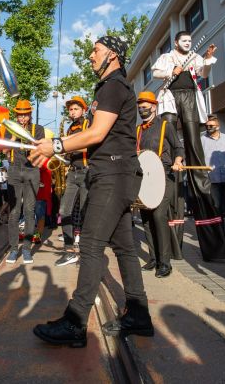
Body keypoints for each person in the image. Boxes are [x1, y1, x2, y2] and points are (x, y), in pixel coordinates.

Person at [31, 35, 152, 347]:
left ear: (112, 54)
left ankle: (75, 321)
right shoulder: (114, 86)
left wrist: (54, 144)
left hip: (112, 174)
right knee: (124, 246)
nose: (90, 55)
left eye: (96, 50)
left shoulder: (113, 86)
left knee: (92, 245)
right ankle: (139, 314)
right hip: (118, 173)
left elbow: (96, 133)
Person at [151, 31, 225, 260]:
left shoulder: (194, 56)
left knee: (194, 142)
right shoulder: (167, 57)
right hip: (170, 96)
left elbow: (204, 73)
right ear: (176, 42)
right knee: (169, 138)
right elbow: (156, 73)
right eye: (184, 41)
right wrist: (171, 72)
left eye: (189, 41)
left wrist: (208, 58)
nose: (187, 44)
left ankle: (212, 243)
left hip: (190, 97)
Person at [136, 91, 184, 278]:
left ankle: (165, 263)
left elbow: (178, 147)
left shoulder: (166, 125)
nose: (142, 109)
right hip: (144, 177)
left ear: (154, 107)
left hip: (164, 176)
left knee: (158, 217)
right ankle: (154, 258)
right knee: (146, 218)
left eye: (145, 105)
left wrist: (178, 160)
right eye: (139, 106)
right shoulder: (138, 130)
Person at [3, 99, 44, 265]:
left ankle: (26, 249)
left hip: (32, 171)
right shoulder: (9, 128)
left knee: (29, 210)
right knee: (14, 211)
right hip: (14, 170)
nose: (22, 118)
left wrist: (28, 140)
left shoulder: (38, 129)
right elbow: (5, 150)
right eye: (19, 115)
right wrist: (13, 136)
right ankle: (13, 249)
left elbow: (40, 150)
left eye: (25, 114)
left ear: (30, 114)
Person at [55, 96, 89, 267]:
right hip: (72, 173)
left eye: (76, 109)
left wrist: (67, 146)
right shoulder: (69, 128)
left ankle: (86, 252)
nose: (72, 111)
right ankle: (69, 250)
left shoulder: (87, 124)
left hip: (86, 173)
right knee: (64, 210)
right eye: (70, 109)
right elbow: (69, 150)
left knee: (85, 213)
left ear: (83, 110)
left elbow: (89, 145)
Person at [200, 115, 225, 240]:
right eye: (207, 126)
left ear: (218, 126)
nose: (208, 128)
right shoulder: (202, 139)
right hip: (212, 179)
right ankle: (220, 234)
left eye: (211, 126)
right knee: (216, 207)